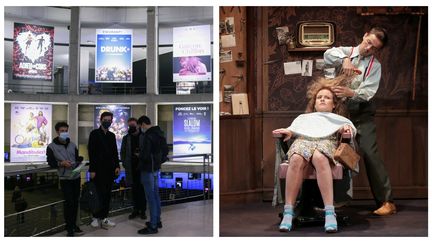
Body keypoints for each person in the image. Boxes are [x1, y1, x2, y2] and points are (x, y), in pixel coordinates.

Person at [323, 27, 396, 216]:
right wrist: (346, 59)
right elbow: (327, 55)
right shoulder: (343, 52)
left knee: (370, 153)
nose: (368, 48)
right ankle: (328, 202)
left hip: (361, 113)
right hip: (336, 112)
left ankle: (387, 201)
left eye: (374, 48)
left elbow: (368, 93)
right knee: (328, 152)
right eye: (368, 42)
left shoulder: (375, 66)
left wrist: (351, 93)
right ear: (364, 36)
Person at [272, 77, 357, 233]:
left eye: (327, 97)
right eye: (319, 97)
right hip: (304, 141)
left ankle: (330, 212)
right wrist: (287, 131)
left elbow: (349, 130)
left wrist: (345, 129)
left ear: (334, 104)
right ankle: (288, 211)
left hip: (326, 142)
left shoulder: (339, 119)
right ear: (314, 103)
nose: (323, 99)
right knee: (296, 158)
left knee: (319, 157)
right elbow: (293, 129)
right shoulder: (303, 118)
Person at [46, 121, 83, 236]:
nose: (64, 133)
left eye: (66, 131)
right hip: (65, 178)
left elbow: (77, 158)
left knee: (75, 202)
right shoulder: (51, 147)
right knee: (69, 203)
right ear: (57, 132)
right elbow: (51, 162)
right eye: (62, 131)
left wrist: (79, 161)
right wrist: (62, 163)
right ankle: (69, 227)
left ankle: (74, 225)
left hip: (76, 177)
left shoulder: (73, 145)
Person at [88, 112, 120, 228]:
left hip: (110, 170)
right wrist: (92, 170)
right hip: (97, 170)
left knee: (107, 195)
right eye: (105, 119)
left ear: (111, 121)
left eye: (109, 120)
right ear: (101, 120)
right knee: (97, 194)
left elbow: (115, 152)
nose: (107, 121)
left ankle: (105, 217)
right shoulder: (94, 134)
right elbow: (91, 152)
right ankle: (95, 217)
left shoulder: (112, 135)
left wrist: (117, 166)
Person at [137, 115, 168, 235]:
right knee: (155, 196)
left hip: (147, 170)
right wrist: (158, 162)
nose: (141, 129)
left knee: (151, 198)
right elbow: (165, 151)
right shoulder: (160, 133)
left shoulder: (148, 136)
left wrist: (138, 155)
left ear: (143, 124)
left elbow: (145, 156)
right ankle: (157, 220)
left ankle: (153, 226)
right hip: (155, 169)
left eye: (140, 127)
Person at [120, 117, 147, 220]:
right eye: (130, 125)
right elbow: (122, 152)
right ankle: (135, 210)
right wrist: (125, 163)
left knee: (142, 190)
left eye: (133, 125)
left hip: (142, 168)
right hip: (131, 168)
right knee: (134, 190)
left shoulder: (144, 137)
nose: (131, 127)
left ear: (138, 125)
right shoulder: (126, 138)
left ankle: (143, 211)